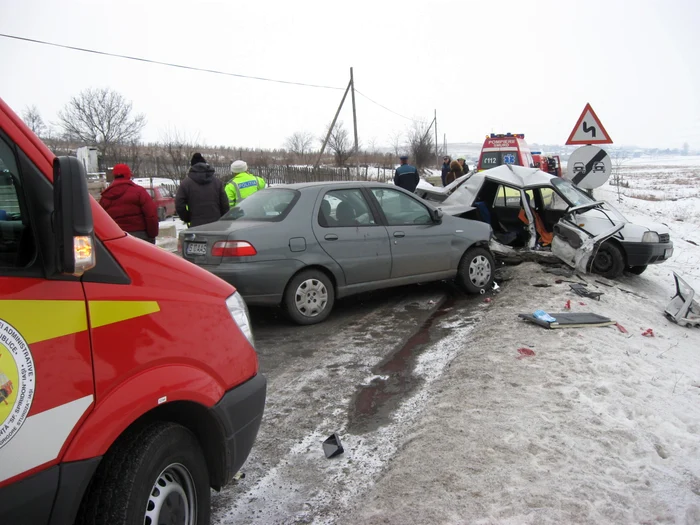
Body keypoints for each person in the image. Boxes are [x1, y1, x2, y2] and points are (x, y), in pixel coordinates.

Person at [99, 163, 159, 243]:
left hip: (116, 238)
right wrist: (152, 235)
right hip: (140, 236)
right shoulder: (139, 192)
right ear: (128, 175)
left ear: (114, 176)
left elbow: (101, 220)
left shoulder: (105, 196)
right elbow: (151, 214)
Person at [175, 153, 229, 228]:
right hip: (216, 224)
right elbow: (225, 204)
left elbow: (179, 205)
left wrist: (187, 218)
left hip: (196, 225)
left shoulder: (186, 184)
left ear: (192, 167)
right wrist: (222, 218)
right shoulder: (217, 182)